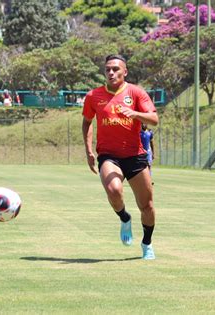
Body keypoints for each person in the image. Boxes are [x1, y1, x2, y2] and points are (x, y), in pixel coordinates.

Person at [82, 54, 159, 260]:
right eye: (108, 69)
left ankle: (147, 243)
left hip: (135, 156)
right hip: (109, 156)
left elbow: (154, 119)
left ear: (125, 72)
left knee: (147, 206)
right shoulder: (93, 96)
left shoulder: (136, 93)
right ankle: (124, 218)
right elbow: (87, 122)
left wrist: (135, 114)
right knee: (114, 189)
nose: (111, 72)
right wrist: (89, 150)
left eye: (116, 69)